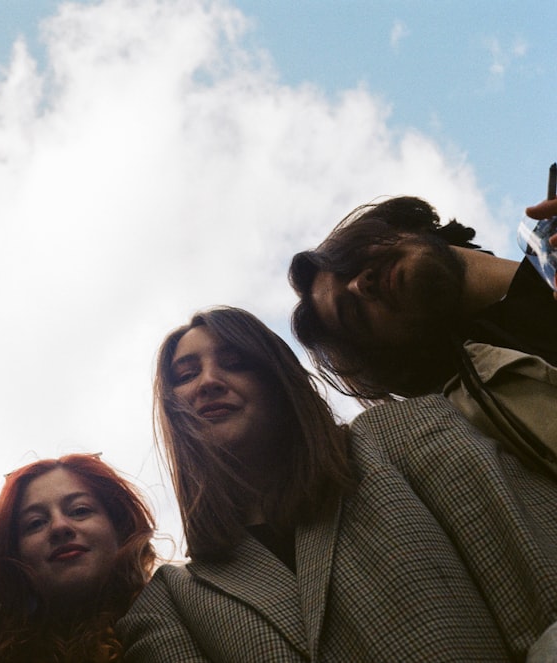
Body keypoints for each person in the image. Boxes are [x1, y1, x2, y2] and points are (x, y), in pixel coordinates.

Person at [117, 306, 557, 661]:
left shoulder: (399, 436)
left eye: (235, 363)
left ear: (278, 380)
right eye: (186, 375)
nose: (209, 382)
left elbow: (538, 577)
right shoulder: (175, 601)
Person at [288, 195, 557, 401]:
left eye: (351, 259)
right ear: (389, 353)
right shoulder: (506, 412)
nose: (359, 285)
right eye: (354, 313)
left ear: (404, 226)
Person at [0, 454, 157, 663]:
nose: (59, 526)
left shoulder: (175, 605)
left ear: (119, 527)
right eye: (35, 523)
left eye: (80, 510)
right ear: (14, 554)